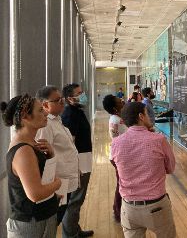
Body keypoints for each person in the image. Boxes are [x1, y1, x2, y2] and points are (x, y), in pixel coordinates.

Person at [111, 102, 176, 237]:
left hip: (128, 207)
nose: (149, 117)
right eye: (147, 114)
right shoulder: (158, 140)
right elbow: (170, 168)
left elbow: (116, 164)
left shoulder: (116, 143)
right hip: (156, 205)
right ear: (141, 116)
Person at [1, 94, 61, 238]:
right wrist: (57, 184)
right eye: (40, 110)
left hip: (41, 217)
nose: (46, 112)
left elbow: (40, 177)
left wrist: (51, 154)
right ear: (25, 117)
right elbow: (35, 194)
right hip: (30, 223)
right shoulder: (23, 151)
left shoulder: (31, 143)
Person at [35, 86, 79, 225]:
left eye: (62, 99)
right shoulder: (46, 125)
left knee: (58, 218)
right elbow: (43, 157)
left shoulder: (56, 120)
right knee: (55, 220)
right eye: (57, 100)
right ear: (45, 104)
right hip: (57, 182)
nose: (62, 102)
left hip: (64, 180)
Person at [61, 84, 94, 238]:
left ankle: (75, 229)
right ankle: (70, 234)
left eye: (82, 92)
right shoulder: (70, 115)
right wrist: (75, 167)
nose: (83, 95)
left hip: (84, 161)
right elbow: (70, 144)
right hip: (78, 164)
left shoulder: (77, 112)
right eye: (79, 93)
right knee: (74, 201)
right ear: (69, 98)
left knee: (77, 200)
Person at [102, 94, 127, 222]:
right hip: (120, 155)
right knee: (121, 184)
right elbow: (128, 136)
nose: (122, 101)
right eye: (119, 101)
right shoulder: (118, 120)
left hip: (117, 154)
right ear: (114, 107)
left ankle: (117, 209)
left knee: (121, 183)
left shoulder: (115, 118)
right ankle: (117, 212)